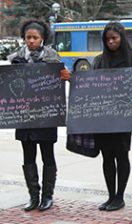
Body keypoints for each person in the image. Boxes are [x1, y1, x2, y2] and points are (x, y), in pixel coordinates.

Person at [9, 19, 68, 211]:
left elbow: (62, 81)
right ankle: (33, 196)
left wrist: (65, 75)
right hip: (25, 116)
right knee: (28, 156)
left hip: (46, 116)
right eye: (28, 37)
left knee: (47, 155)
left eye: (35, 37)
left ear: (42, 38)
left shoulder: (52, 58)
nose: (31, 41)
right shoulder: (17, 58)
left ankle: (47, 197)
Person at [92, 22, 132, 211]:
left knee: (121, 155)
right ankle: (110, 196)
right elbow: (90, 85)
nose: (111, 42)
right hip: (104, 117)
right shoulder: (99, 60)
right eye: (107, 39)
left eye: (114, 38)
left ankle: (120, 196)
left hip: (124, 117)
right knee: (107, 156)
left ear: (122, 38)